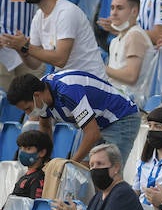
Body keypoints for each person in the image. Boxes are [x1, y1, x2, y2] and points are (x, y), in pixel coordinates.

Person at [6, 69, 140, 164]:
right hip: (97, 123)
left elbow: (93, 134)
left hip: (121, 117)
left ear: (36, 95)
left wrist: (69, 165)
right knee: (85, 171)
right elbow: (45, 127)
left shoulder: (67, 91)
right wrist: (44, 160)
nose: (29, 114)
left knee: (109, 174)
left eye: (28, 108)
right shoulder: (41, 94)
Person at [0, 0, 105, 77]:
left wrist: (26, 46)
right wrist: (20, 49)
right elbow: (34, 64)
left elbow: (60, 59)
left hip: (90, 79)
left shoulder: (66, 12)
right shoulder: (39, 16)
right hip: (69, 79)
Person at [54, 143, 150, 210]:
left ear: (116, 167)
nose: (95, 169)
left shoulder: (122, 194)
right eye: (92, 165)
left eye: (99, 164)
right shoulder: (98, 196)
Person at [101, 0, 152, 93]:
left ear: (134, 11)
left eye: (120, 8)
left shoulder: (135, 35)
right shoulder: (116, 40)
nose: (114, 13)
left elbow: (131, 77)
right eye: (112, 8)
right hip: (115, 93)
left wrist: (100, 67)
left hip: (129, 100)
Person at [11, 129, 51, 199]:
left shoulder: (38, 179)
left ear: (42, 152)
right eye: (21, 148)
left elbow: (33, 205)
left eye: (28, 149)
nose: (22, 152)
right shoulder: (25, 176)